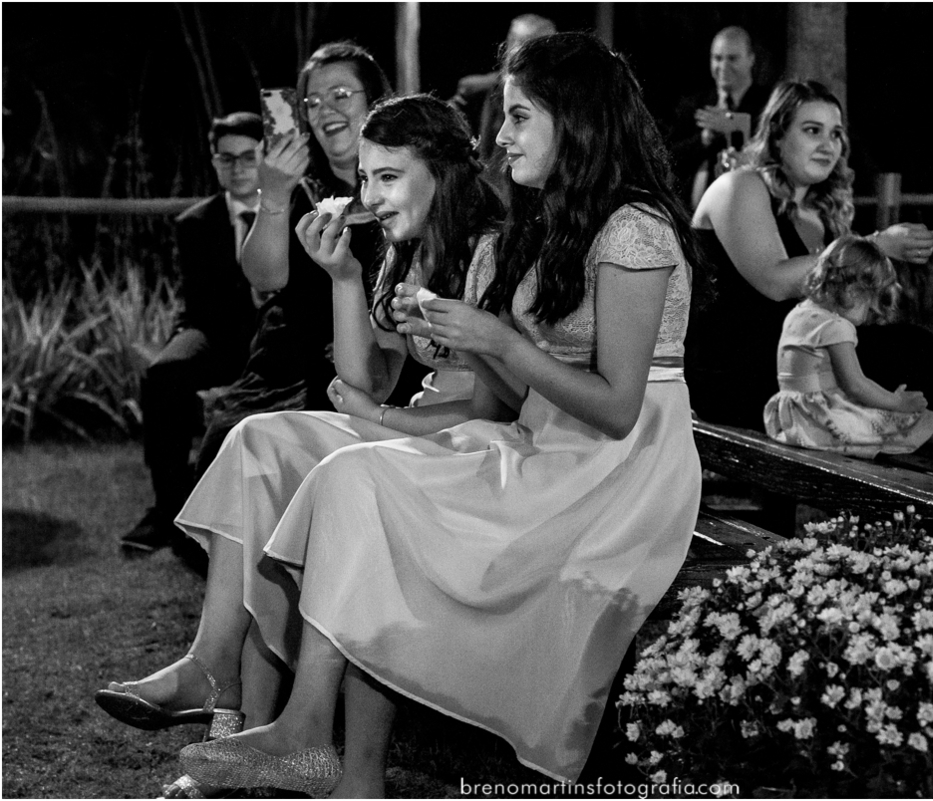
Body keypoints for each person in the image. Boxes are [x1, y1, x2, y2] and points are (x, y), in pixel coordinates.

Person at [166, 31, 704, 795]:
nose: (502, 136)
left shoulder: (634, 230)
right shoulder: (559, 220)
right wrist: (474, 348)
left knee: (361, 480)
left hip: (615, 475)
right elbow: (525, 395)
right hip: (542, 447)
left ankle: (309, 739)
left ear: (576, 117)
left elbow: (618, 407)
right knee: (351, 478)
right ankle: (309, 733)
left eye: (519, 117)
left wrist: (493, 342)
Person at [95, 92, 505, 798]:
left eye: (386, 177)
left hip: (465, 447)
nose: (369, 194)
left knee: (338, 475)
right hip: (406, 423)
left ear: (440, 172)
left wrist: (381, 417)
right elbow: (362, 374)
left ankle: (292, 737)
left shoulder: (493, 246)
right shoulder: (406, 246)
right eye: (367, 178)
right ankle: (210, 665)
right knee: (257, 440)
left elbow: (492, 407)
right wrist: (345, 276)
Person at [685, 79, 933, 432]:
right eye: (813, 130)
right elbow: (774, 281)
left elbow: (836, 304)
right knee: (905, 354)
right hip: (738, 371)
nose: (829, 145)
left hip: (805, 360)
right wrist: (876, 244)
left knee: (913, 349)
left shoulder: (822, 211)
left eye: (836, 134)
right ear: (777, 136)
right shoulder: (740, 185)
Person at [190, 41, 393, 482]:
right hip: (295, 353)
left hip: (381, 352)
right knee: (230, 446)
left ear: (376, 101)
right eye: (312, 102)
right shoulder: (295, 181)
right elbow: (264, 275)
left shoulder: (405, 182)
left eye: (341, 95)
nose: (324, 110)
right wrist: (275, 195)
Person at [119, 113, 263, 553]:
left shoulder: (299, 208)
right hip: (216, 332)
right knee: (166, 372)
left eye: (247, 157)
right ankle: (168, 508)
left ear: (265, 157)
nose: (238, 168)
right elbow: (201, 307)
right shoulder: (194, 223)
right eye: (226, 158)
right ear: (215, 162)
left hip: (279, 333)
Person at [765, 234, 933, 457]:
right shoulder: (835, 327)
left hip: (791, 418)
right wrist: (898, 403)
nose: (871, 312)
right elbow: (856, 385)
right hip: (822, 422)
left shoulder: (800, 313)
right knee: (927, 425)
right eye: (871, 302)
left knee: (905, 420)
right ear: (853, 291)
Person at [668, 26, 771, 209]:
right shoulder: (694, 105)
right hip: (689, 217)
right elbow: (669, 157)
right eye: (717, 58)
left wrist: (735, 128)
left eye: (732, 58)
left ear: (751, 59)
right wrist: (705, 138)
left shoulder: (767, 105)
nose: (723, 67)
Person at [450, 13, 557, 163]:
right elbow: (444, 125)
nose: (517, 49)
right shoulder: (476, 91)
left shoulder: (558, 97)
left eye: (527, 43)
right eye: (514, 40)